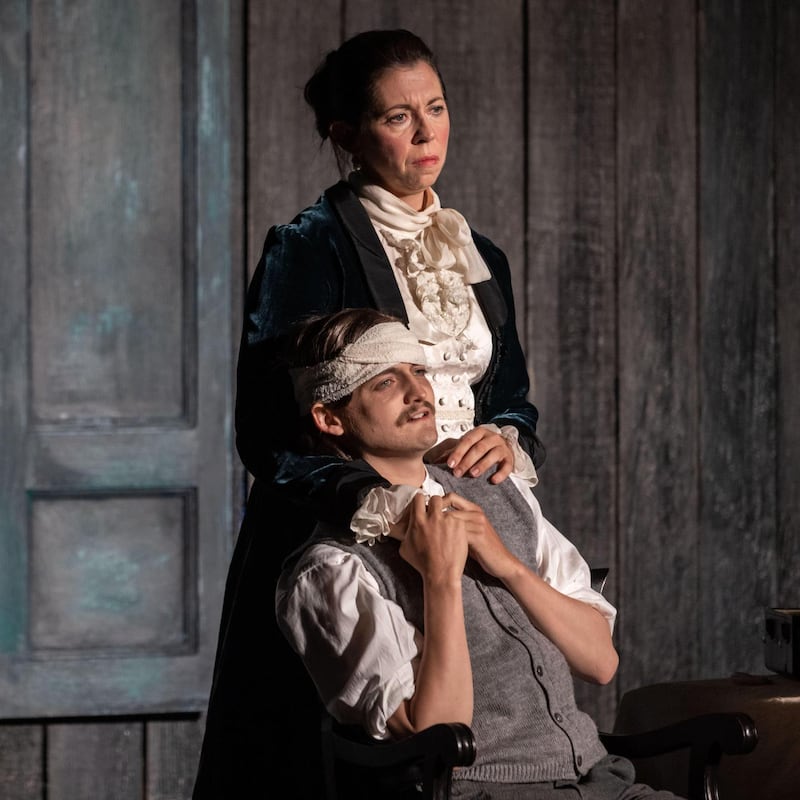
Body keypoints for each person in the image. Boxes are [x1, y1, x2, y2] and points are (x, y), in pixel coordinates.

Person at [194, 28, 543, 798]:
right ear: (346, 136)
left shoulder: (479, 252)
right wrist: (374, 499)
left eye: (438, 108)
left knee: (504, 738)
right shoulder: (308, 247)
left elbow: (510, 392)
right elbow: (267, 433)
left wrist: (506, 434)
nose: (426, 133)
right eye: (397, 117)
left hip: (475, 517)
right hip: (347, 526)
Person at [276, 307, 685, 800]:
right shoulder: (332, 568)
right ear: (330, 418)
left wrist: (506, 564)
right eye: (384, 383)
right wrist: (440, 579)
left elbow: (600, 662)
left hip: (602, 782)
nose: (417, 392)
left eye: (418, 371)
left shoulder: (496, 485)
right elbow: (438, 735)